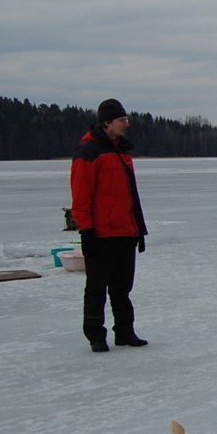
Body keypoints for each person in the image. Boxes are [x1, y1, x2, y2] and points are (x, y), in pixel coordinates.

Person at [70, 98, 150, 352]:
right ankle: (96, 335)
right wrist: (87, 231)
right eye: (121, 120)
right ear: (106, 123)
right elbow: (81, 197)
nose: (126, 124)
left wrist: (138, 230)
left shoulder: (122, 152)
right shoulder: (89, 152)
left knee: (122, 288)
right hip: (102, 234)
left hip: (126, 231)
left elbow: (130, 197)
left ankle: (125, 332)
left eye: (126, 119)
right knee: (97, 288)